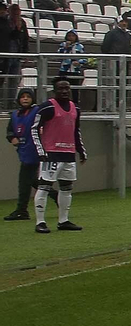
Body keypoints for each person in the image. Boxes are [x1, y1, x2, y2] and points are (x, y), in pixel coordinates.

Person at [30, 78, 87, 233]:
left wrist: (81, 150)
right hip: (51, 154)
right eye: (60, 88)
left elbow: (76, 131)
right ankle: (40, 222)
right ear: (54, 90)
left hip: (68, 154)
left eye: (67, 88)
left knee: (67, 187)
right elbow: (34, 129)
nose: (64, 91)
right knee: (44, 186)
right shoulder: (47, 107)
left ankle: (64, 220)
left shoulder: (75, 108)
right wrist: (41, 151)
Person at [6, 87, 54, 220]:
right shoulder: (15, 114)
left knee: (24, 181)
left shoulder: (37, 111)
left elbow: (46, 123)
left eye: (28, 96)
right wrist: (12, 138)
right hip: (23, 150)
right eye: (23, 97)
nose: (25, 99)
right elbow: (10, 131)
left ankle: (22, 210)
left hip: (35, 150)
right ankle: (55, 195)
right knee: (32, 180)